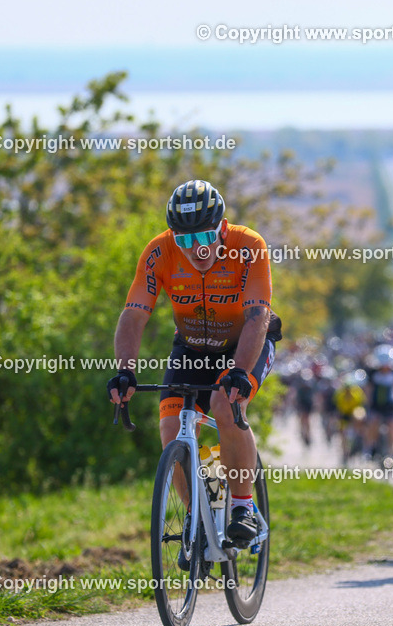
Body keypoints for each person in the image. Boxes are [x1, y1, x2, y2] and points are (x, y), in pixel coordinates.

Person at [108, 179, 281, 551]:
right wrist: (125, 371)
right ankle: (195, 518)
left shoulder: (248, 246)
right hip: (190, 349)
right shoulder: (158, 252)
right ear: (174, 236)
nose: (197, 248)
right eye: (185, 240)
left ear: (222, 227)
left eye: (204, 236)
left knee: (225, 405)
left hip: (245, 345)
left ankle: (242, 506)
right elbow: (134, 314)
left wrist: (238, 372)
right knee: (171, 427)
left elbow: (256, 317)